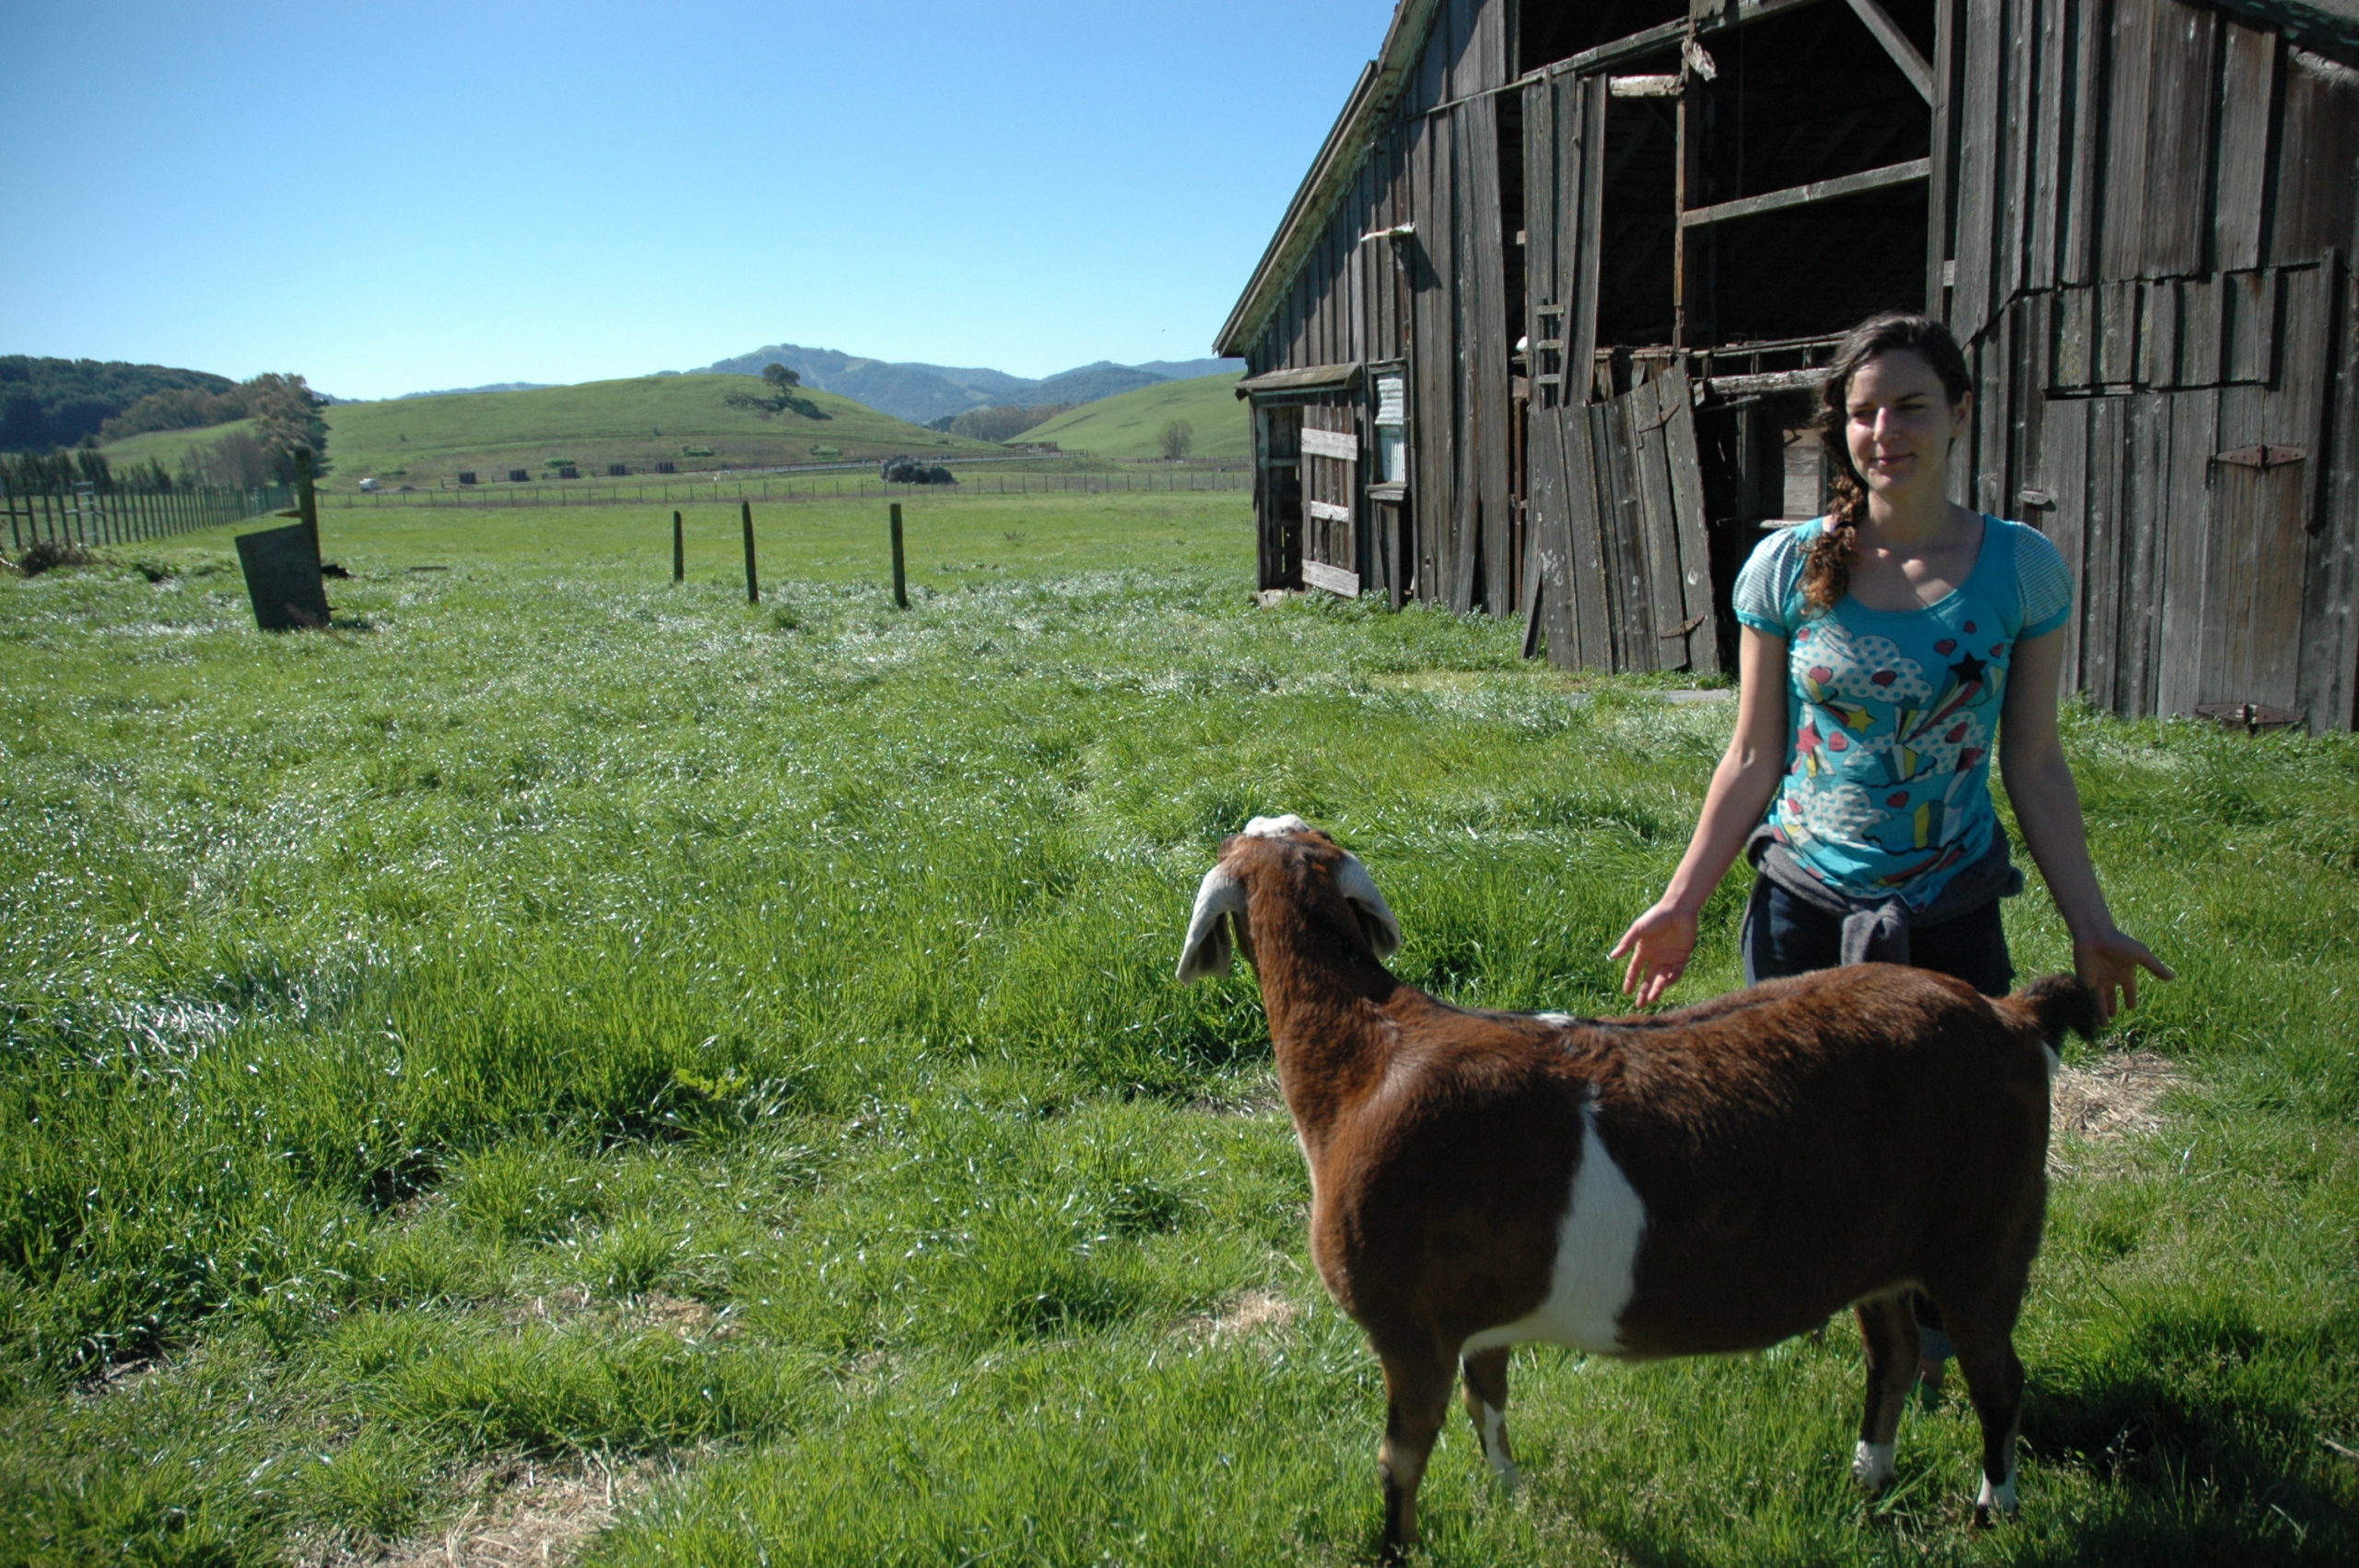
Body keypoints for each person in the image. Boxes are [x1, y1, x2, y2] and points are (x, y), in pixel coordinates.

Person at [1609, 310, 2172, 1387]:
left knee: (1950, 1156)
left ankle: (1940, 1331)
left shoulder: (2019, 569)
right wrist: (1683, 900)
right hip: (1804, 907)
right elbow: (1749, 756)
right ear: (1842, 429)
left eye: (1911, 406)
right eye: (1863, 412)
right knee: (1794, 1149)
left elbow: (2036, 763)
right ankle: (1819, 1316)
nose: (1885, 431)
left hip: (1951, 907)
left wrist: (2091, 923)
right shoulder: (1785, 569)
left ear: (1958, 415)